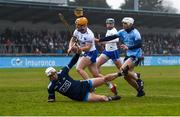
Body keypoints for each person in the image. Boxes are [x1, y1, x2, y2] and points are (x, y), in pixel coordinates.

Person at [45, 51, 123, 102]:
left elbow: (72, 62)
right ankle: (111, 98)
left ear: (55, 72)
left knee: (104, 79)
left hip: (83, 84)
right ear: (49, 77)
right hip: (81, 97)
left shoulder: (62, 72)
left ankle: (120, 73)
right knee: (102, 98)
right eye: (51, 76)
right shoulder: (50, 87)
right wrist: (51, 100)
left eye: (53, 74)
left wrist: (78, 53)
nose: (53, 76)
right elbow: (51, 98)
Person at [99, 17, 145, 97]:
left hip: (136, 55)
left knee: (122, 69)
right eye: (123, 23)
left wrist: (128, 47)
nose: (123, 25)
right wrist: (100, 40)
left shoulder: (135, 33)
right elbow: (112, 37)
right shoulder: (122, 32)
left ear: (130, 24)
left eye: (125, 23)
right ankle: (140, 90)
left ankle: (138, 79)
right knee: (126, 76)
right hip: (129, 55)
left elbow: (140, 44)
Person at [96, 18, 122, 95]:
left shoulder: (114, 31)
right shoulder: (108, 30)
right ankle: (105, 82)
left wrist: (104, 41)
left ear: (113, 24)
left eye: (110, 24)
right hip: (106, 52)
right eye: (108, 23)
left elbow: (117, 40)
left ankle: (135, 76)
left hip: (113, 52)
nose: (109, 25)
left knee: (122, 70)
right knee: (96, 66)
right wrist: (103, 43)